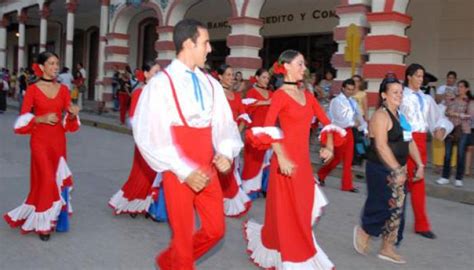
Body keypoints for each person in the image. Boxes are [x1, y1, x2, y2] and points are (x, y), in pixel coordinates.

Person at [133, 19, 243, 269]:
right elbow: (149, 135)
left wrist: (225, 153)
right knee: (182, 240)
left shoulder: (211, 83)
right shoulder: (160, 84)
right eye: (205, 43)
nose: (210, 49)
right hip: (177, 170)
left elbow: (224, 124)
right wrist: (184, 171)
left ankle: (167, 261)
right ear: (188, 43)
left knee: (216, 230)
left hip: (208, 166)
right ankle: (178, 260)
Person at [244, 50, 342, 269]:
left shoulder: (307, 96)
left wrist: (329, 145)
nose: (304, 68)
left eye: (304, 64)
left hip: (303, 163)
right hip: (285, 163)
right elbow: (269, 128)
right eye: (300, 64)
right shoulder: (279, 95)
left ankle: (285, 245)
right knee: (289, 212)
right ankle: (296, 257)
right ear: (286, 66)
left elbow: (326, 122)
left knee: (302, 208)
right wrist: (282, 158)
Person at [3, 51, 80, 241]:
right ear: (42, 66)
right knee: (46, 178)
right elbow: (22, 119)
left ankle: (48, 216)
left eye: (57, 63)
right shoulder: (32, 90)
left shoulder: (63, 90)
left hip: (58, 141)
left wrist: (72, 113)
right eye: (51, 63)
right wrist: (41, 118)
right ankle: (43, 224)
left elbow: (68, 120)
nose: (55, 67)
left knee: (52, 179)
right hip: (39, 141)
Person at [353, 78, 424, 264]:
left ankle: (387, 247)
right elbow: (381, 146)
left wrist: (420, 164)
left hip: (398, 169)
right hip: (380, 169)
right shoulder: (380, 116)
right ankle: (365, 230)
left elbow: (410, 142)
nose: (399, 95)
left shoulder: (402, 116)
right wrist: (396, 170)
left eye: (401, 92)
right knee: (382, 205)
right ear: (384, 95)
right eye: (395, 92)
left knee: (397, 210)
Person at [399, 63, 453, 239]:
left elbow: (438, 119)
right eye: (418, 76)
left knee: (418, 185)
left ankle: (421, 225)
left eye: (422, 77)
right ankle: (391, 221)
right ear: (409, 77)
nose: (421, 80)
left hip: (421, 142)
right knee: (398, 184)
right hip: (404, 141)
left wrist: (441, 129)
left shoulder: (427, 99)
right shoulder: (400, 96)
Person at [109, 61, 168, 221]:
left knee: (156, 173)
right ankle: (133, 202)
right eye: (155, 72)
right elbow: (134, 117)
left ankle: (149, 205)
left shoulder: (162, 94)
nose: (158, 76)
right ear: (146, 74)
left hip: (159, 139)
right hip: (145, 140)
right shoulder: (139, 93)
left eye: (159, 72)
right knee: (142, 173)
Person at [317, 78, 367, 192]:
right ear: (343, 88)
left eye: (351, 89)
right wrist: (354, 124)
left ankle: (347, 185)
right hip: (337, 131)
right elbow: (338, 119)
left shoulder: (352, 101)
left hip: (348, 132)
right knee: (336, 158)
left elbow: (359, 115)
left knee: (348, 160)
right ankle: (321, 174)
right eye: (348, 89)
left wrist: (364, 129)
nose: (349, 91)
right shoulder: (336, 101)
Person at [217, 64, 252, 217]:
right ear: (220, 76)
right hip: (216, 137)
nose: (231, 78)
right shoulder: (215, 94)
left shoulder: (237, 96)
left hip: (231, 140)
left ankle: (225, 199)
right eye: (228, 75)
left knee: (228, 170)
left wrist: (235, 133)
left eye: (232, 75)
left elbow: (244, 116)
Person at [241, 68, 273, 198]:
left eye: (267, 78)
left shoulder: (271, 93)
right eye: (264, 77)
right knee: (252, 161)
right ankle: (249, 190)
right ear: (257, 78)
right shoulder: (251, 92)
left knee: (266, 160)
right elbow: (247, 106)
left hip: (268, 131)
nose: (266, 80)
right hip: (254, 131)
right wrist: (266, 102)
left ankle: (263, 188)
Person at [436, 80, 472, 187]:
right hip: (450, 129)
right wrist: (451, 113)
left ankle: (458, 178)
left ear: (466, 89)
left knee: (460, 154)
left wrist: (456, 114)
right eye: (458, 86)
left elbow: (469, 115)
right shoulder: (452, 99)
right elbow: (446, 112)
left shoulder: (469, 101)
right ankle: (445, 177)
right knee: (447, 154)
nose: (459, 89)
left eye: (461, 87)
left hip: (463, 130)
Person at [352, 74, 369, 165]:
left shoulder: (362, 94)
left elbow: (365, 107)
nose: (355, 82)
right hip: (350, 119)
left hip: (359, 119)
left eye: (357, 81)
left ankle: (358, 157)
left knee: (358, 139)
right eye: (353, 80)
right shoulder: (349, 92)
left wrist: (366, 120)